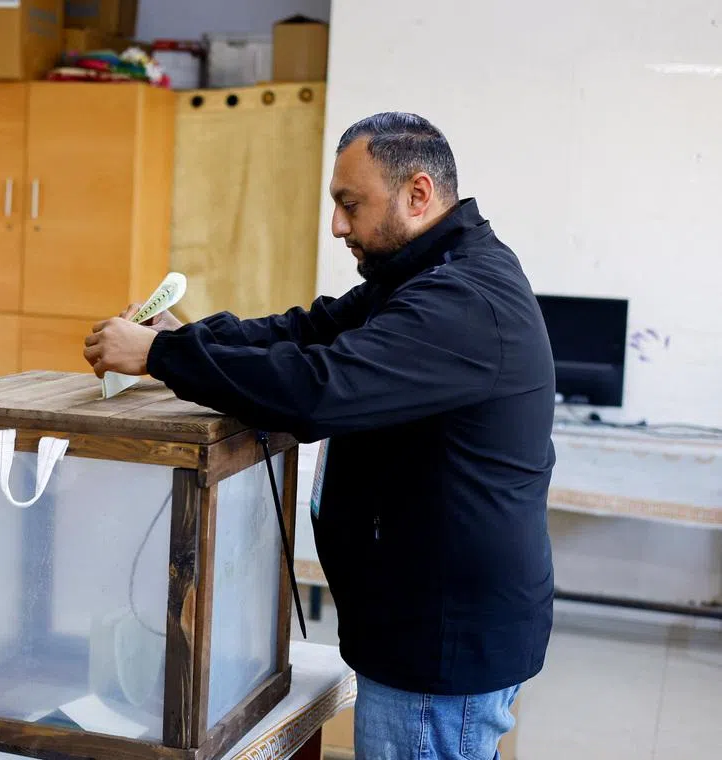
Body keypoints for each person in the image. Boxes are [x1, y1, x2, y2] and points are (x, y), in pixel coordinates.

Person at [84, 112, 555, 759]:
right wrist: (179, 340)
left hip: (438, 641)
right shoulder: (423, 274)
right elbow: (307, 330)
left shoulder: (461, 300)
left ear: (418, 195)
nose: (337, 225)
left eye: (349, 204)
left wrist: (159, 359)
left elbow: (317, 390)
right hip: (422, 623)